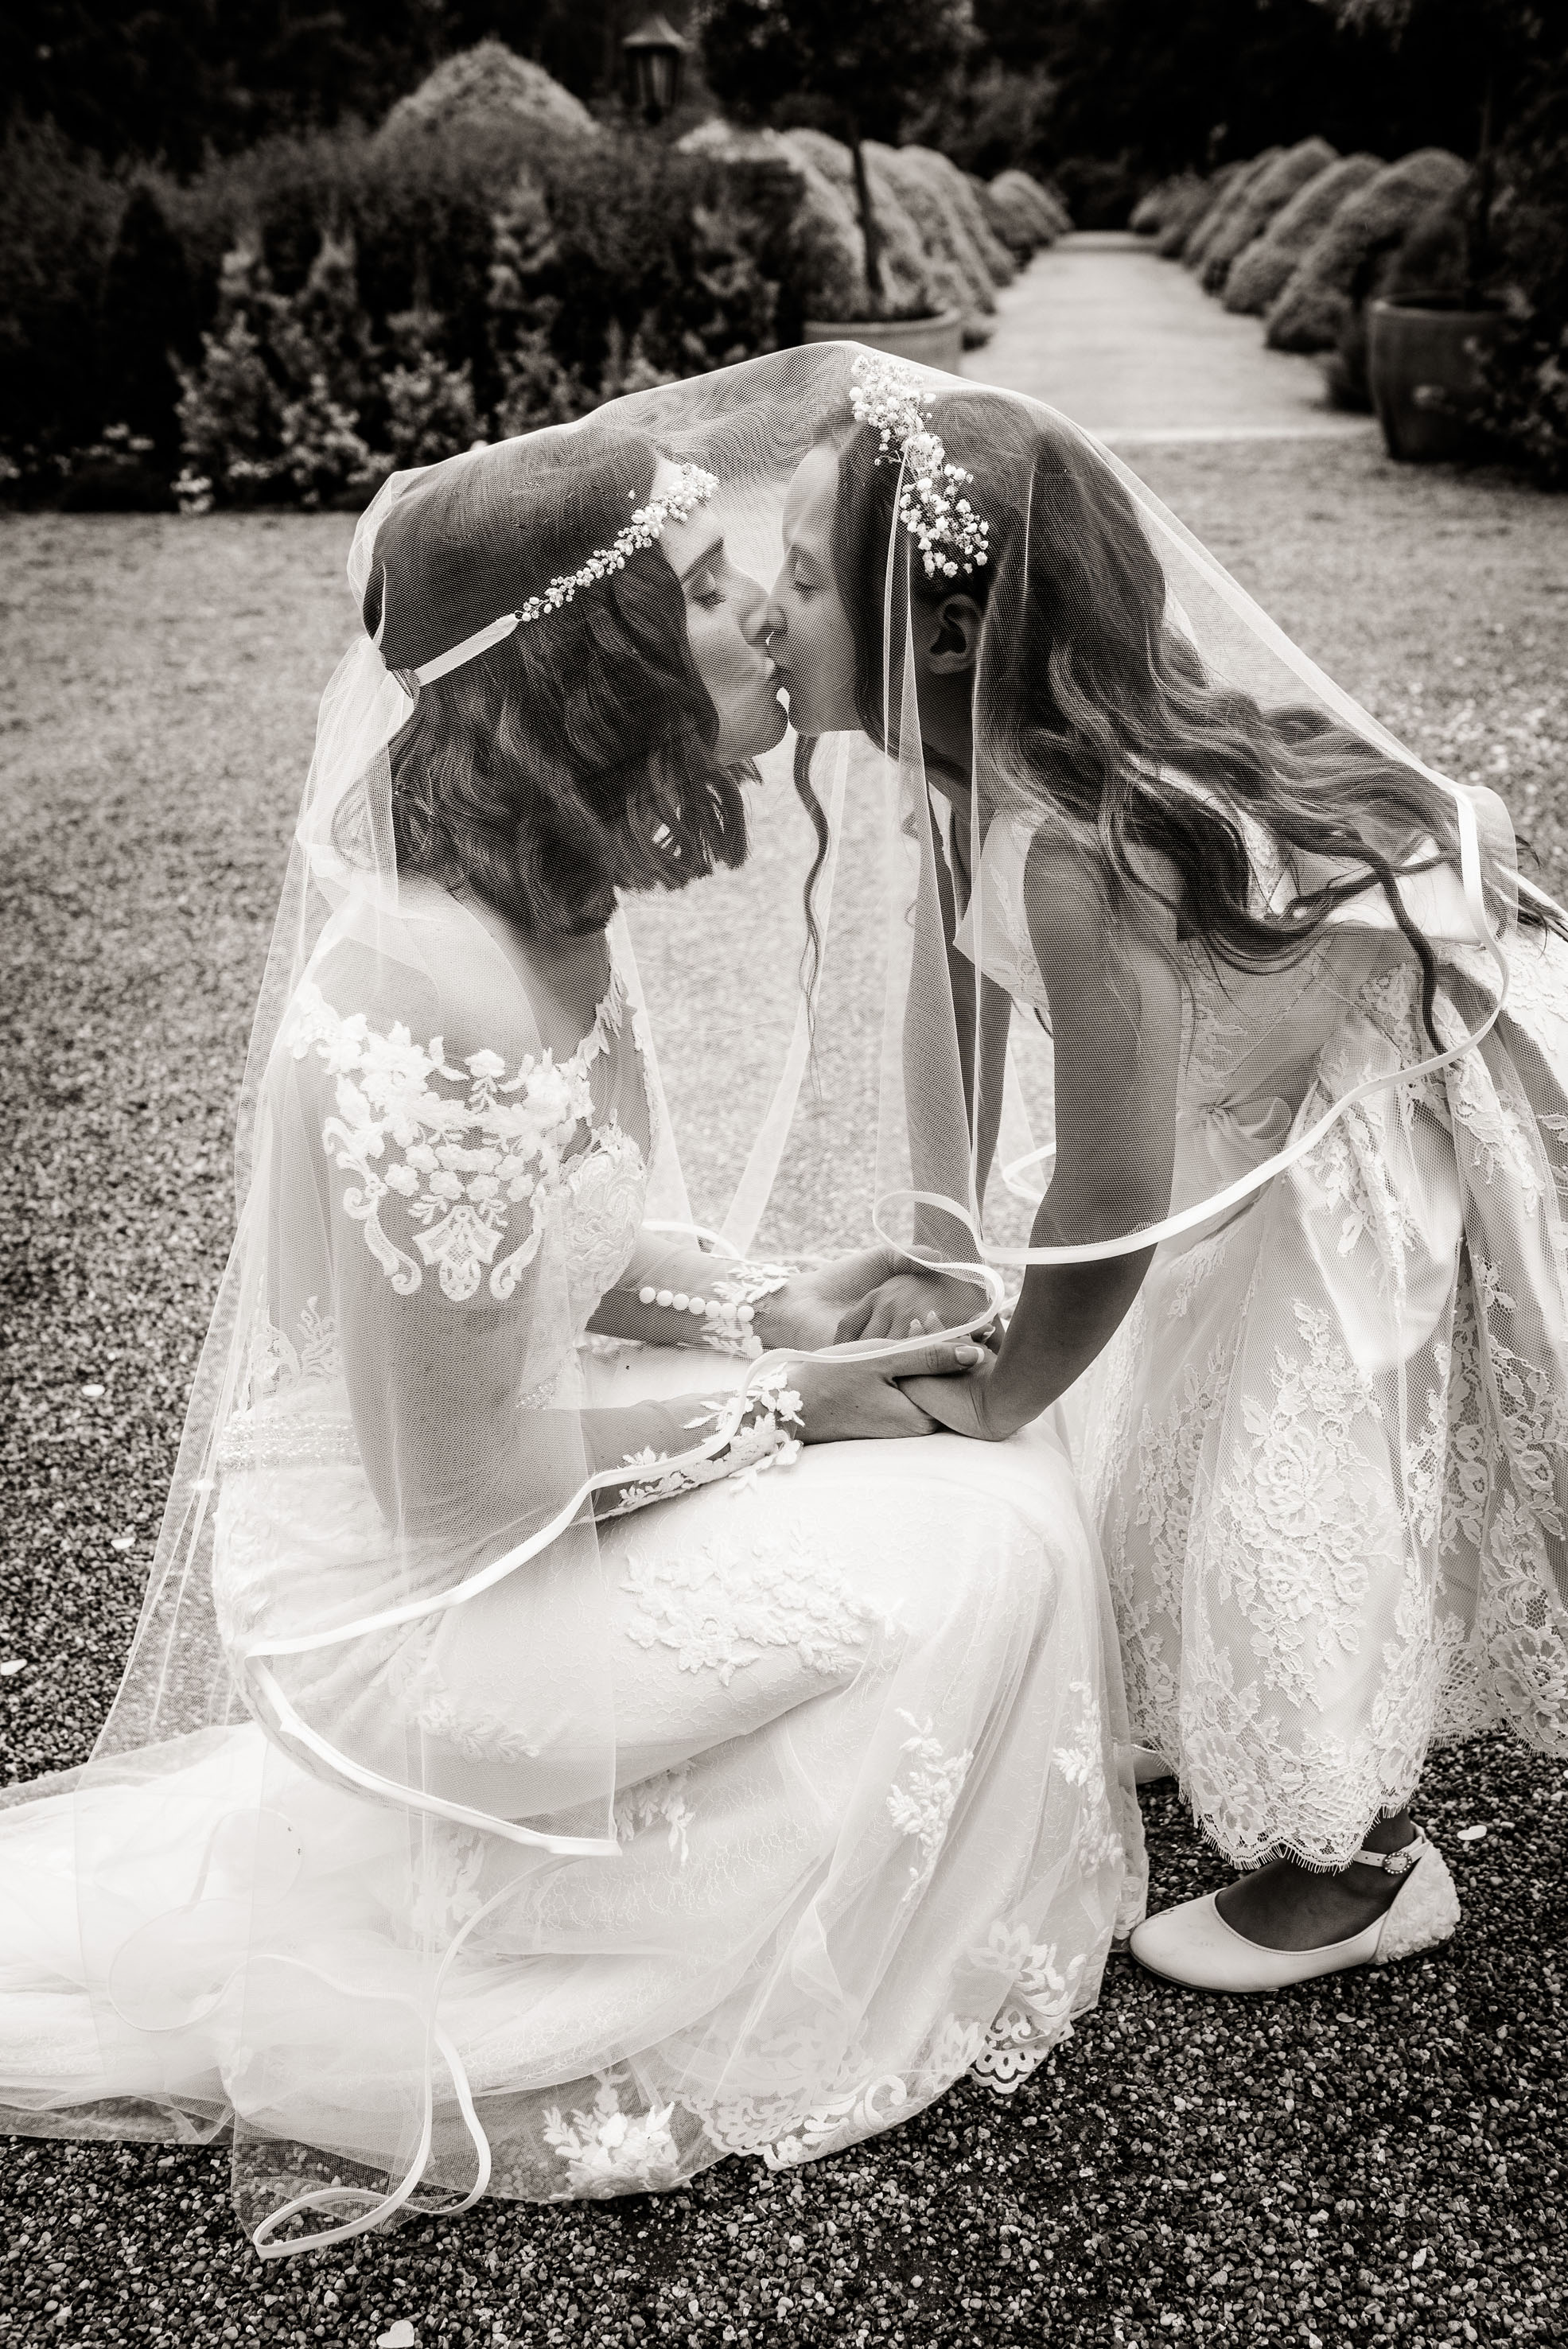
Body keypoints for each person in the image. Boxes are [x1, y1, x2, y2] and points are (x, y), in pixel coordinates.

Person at [0, 410, 1142, 2253]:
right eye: (703, 588)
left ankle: (669, 1894)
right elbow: (456, 1487)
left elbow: (559, 1235)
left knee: (1001, 1477)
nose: (763, 615)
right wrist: (795, 1402)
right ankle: (647, 1985)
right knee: (967, 1549)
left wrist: (766, 1301)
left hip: (503, 1479)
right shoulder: (425, 997)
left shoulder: (541, 907)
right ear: (587, 660)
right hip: (406, 1603)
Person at [766, 355, 1568, 1993]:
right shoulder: (966, 776)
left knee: (1298, 1453)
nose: (765, 609)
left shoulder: (1075, 844)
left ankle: (1352, 1861)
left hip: (1395, 1090)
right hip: (1278, 1094)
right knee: (1178, 1415)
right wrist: (941, 1234)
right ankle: (1221, 1722)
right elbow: (954, 994)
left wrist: (998, 1391)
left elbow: (1111, 1194)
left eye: (796, 577)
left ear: (937, 636)